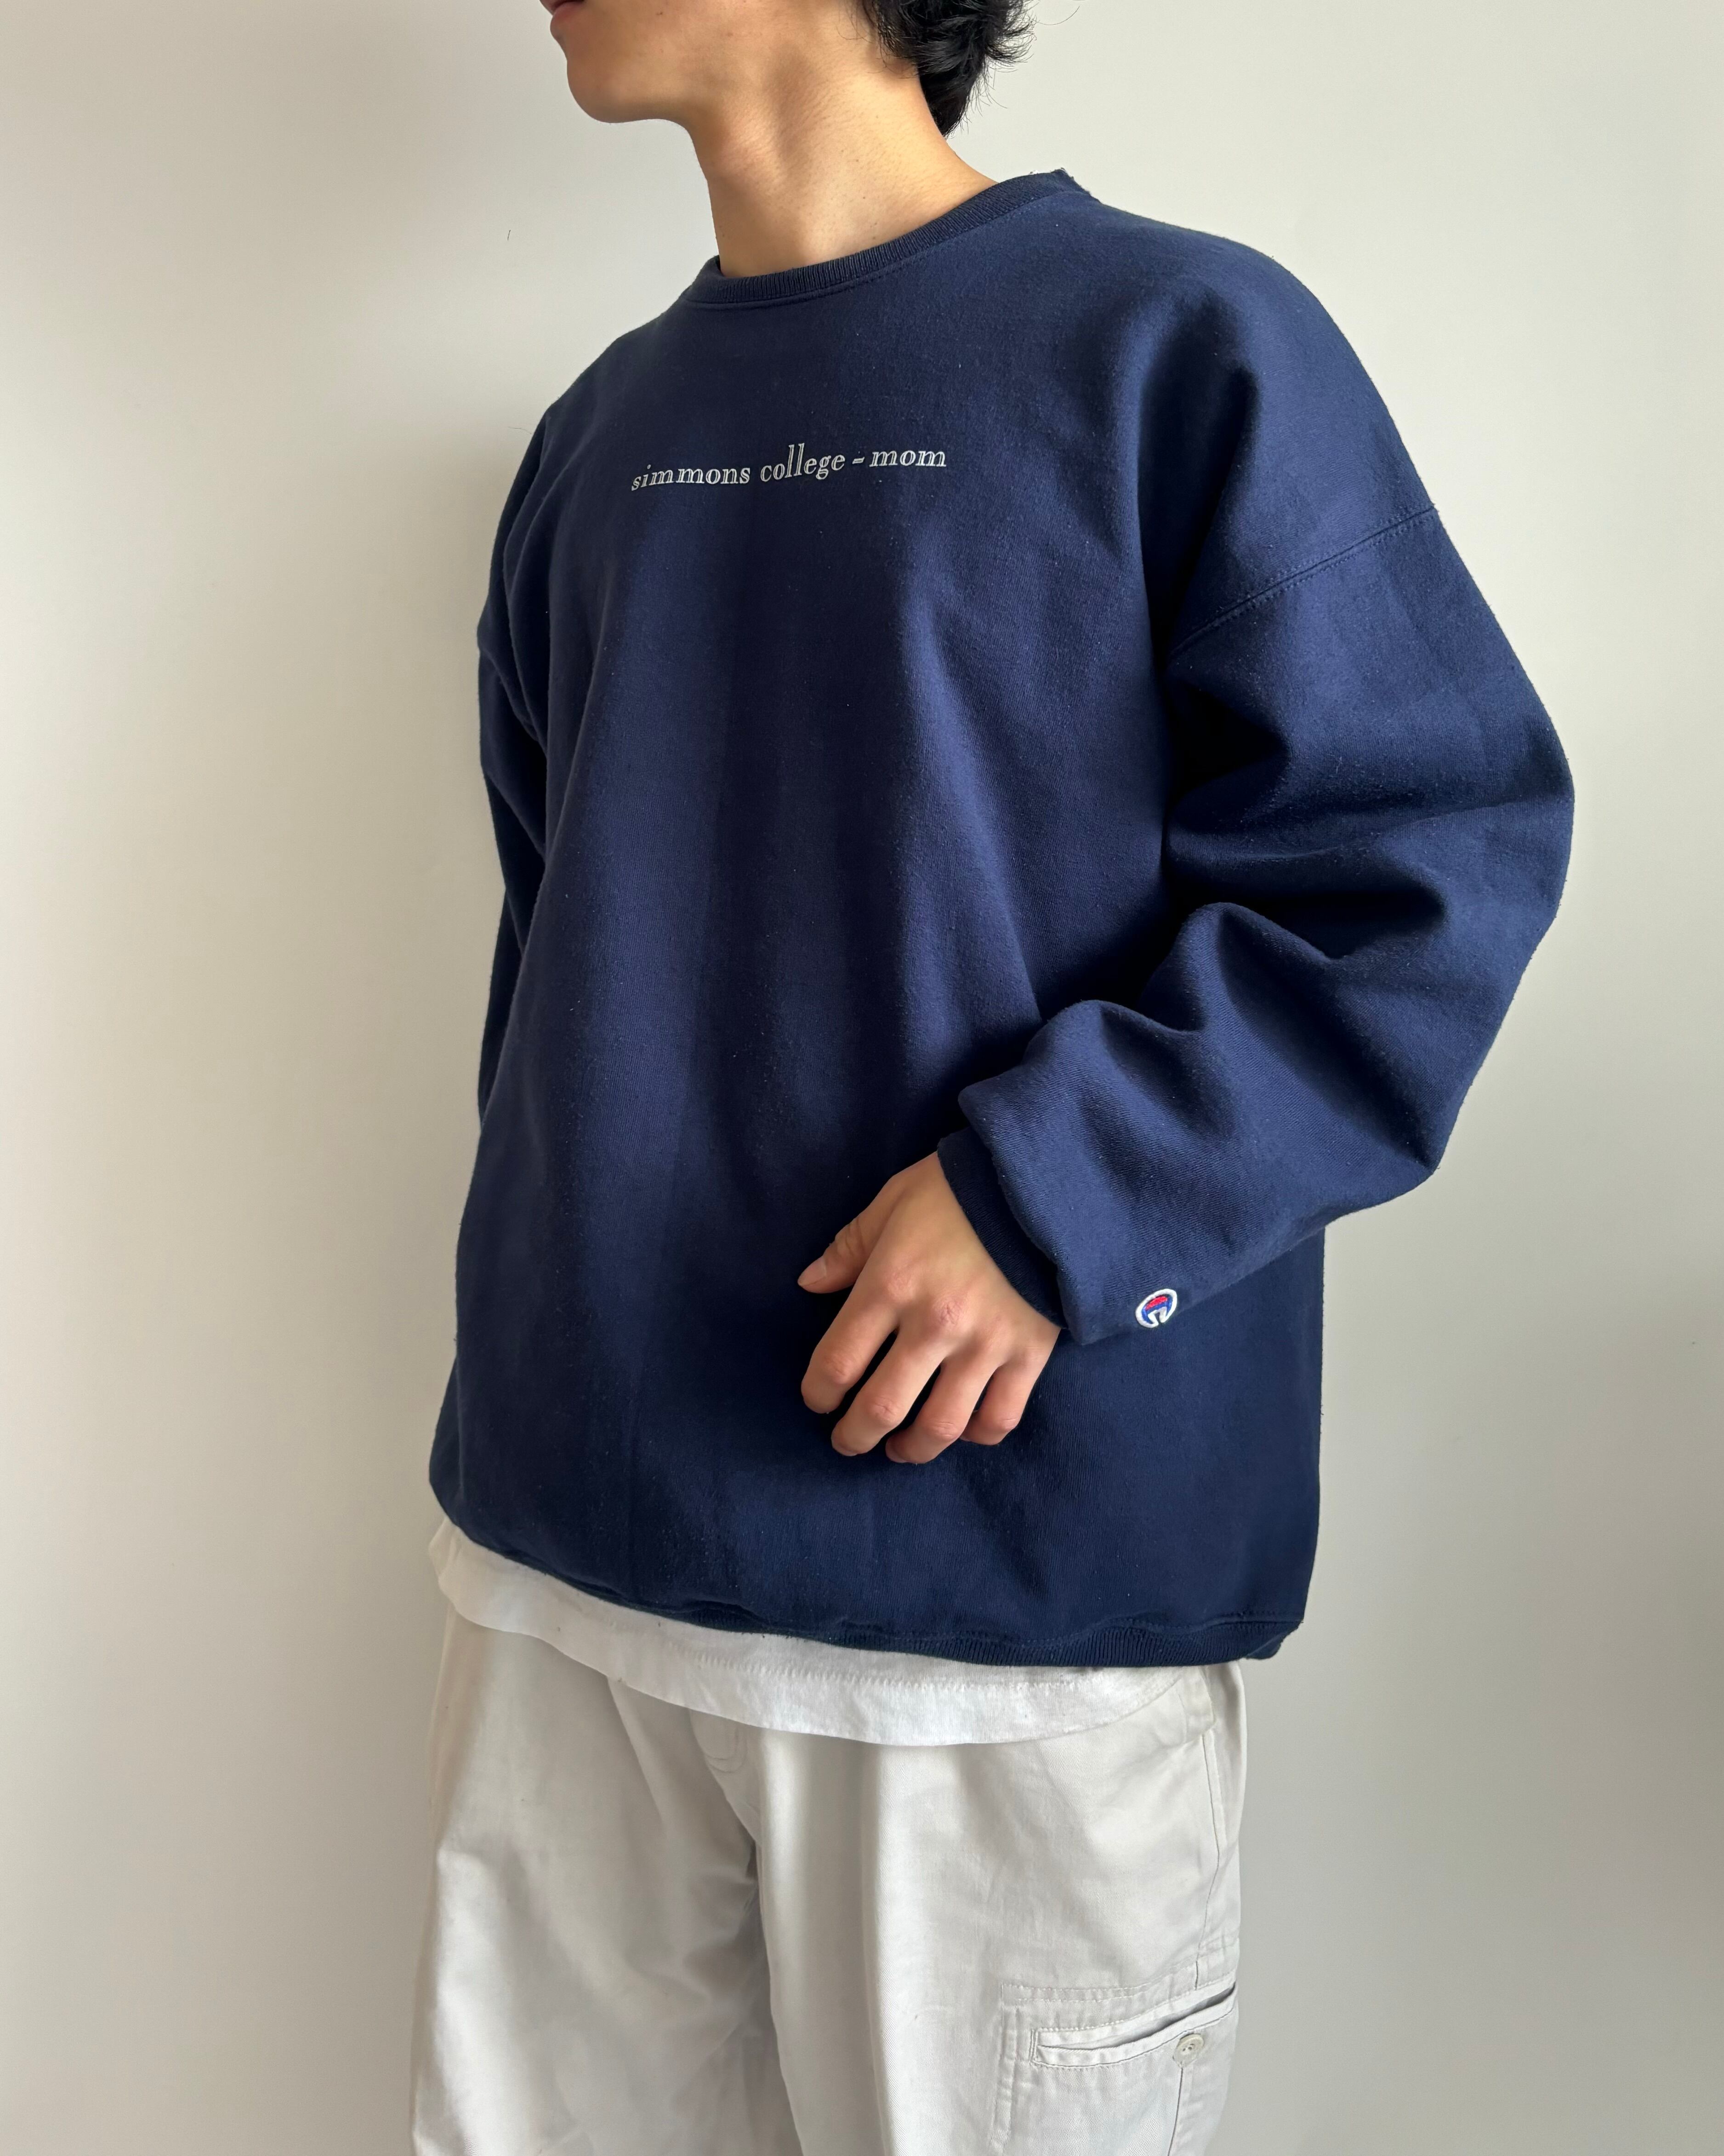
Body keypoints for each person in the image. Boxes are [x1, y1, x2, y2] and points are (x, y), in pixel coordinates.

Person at [410, 2, 1574, 2150]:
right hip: (565, 1573)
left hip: (991, 1606)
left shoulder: (1176, 347)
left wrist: (1052, 1206)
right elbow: (558, 939)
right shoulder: (600, 430)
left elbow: (1419, 858)